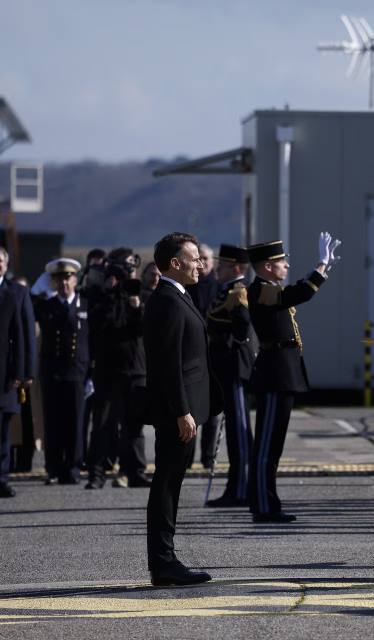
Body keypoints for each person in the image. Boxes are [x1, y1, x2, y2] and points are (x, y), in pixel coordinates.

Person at [144, 232, 220, 586]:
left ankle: (166, 559)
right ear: (175, 263)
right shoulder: (167, 302)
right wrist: (181, 410)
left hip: (185, 408)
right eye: (194, 258)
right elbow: (167, 364)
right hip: (178, 412)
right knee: (166, 482)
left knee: (172, 481)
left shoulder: (179, 296)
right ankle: (163, 563)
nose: (200, 264)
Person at [247, 233, 339, 523]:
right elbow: (299, 293)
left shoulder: (268, 288)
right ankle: (264, 505)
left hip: (282, 371)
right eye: (281, 261)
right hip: (274, 373)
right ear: (267, 266)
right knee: (267, 445)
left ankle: (266, 503)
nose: (286, 265)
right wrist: (320, 266)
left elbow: (293, 294)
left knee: (273, 445)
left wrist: (322, 268)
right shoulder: (259, 289)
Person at [86, 250, 149, 489]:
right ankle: (96, 474)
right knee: (102, 424)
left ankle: (136, 472)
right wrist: (110, 294)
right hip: (108, 370)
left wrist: (136, 306)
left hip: (135, 370)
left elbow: (144, 328)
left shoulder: (138, 295)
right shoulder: (101, 296)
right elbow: (97, 324)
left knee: (134, 425)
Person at [205, 244, 255, 507]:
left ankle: (242, 489)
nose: (217, 269)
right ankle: (235, 487)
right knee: (235, 431)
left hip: (234, 366)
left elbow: (242, 323)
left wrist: (232, 343)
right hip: (224, 368)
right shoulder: (225, 290)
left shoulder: (238, 291)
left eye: (222, 265)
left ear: (235, 268)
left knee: (239, 431)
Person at [35, 259, 91, 485]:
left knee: (75, 422)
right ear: (53, 283)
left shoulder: (84, 305)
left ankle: (73, 468)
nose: (64, 284)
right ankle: (54, 468)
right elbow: (31, 298)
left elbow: (92, 340)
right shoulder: (46, 306)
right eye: (58, 280)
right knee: (53, 422)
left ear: (75, 280)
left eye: (68, 279)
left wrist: (91, 373)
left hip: (77, 371)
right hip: (52, 372)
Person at [189, 243, 224, 472]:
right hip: (193, 357)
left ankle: (208, 457)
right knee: (191, 410)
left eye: (206, 259)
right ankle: (187, 457)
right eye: (198, 258)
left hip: (214, 356)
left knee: (213, 411)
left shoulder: (220, 288)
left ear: (213, 262)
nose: (202, 263)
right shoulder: (187, 287)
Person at [0, 251, 24, 498]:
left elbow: (20, 336)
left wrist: (19, 372)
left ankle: (1, 478)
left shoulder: (13, 294)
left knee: (3, 431)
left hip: (4, 375)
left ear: (6, 265)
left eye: (0, 261)